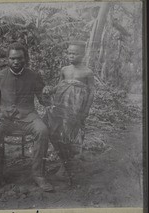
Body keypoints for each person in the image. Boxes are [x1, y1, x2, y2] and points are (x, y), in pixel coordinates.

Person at [0, 42, 54, 192]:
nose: (16, 61)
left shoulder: (33, 76)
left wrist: (47, 94)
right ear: (7, 59)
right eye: (12, 58)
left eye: (19, 58)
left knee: (42, 130)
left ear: (25, 59)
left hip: (29, 117)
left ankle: (39, 175)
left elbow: (43, 99)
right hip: (6, 119)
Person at [43, 41, 95, 184]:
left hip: (75, 109)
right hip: (60, 106)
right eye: (69, 53)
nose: (71, 56)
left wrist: (86, 110)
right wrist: (49, 89)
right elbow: (59, 85)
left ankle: (66, 168)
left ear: (83, 54)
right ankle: (64, 163)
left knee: (69, 135)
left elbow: (91, 93)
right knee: (55, 132)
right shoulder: (64, 69)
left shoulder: (87, 72)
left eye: (75, 53)